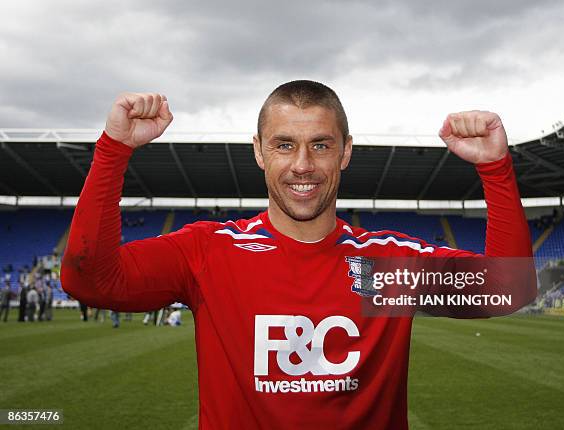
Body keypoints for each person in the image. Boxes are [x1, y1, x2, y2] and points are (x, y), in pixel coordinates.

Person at [61, 81, 535, 429]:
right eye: (284, 145)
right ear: (259, 152)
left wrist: (494, 167)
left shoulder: (385, 269)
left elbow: (507, 289)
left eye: (321, 146)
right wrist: (114, 150)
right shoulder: (210, 253)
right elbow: (89, 280)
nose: (303, 165)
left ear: (346, 152)